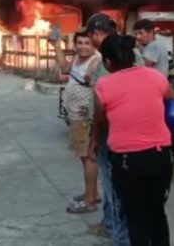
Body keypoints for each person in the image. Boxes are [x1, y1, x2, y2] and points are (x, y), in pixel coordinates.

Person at [93, 33, 174, 245]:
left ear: (108, 62)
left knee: (135, 218)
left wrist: (93, 140)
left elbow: (100, 120)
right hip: (160, 157)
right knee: (157, 213)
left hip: (127, 161)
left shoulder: (104, 85)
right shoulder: (155, 76)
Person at [86, 13, 137, 245]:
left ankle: (115, 229)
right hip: (125, 130)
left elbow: (105, 105)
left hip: (111, 132)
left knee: (112, 185)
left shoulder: (111, 57)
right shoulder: (124, 53)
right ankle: (111, 223)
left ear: (96, 34)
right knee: (116, 186)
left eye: (90, 36)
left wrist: (95, 137)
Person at [51, 28, 101, 214]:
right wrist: (56, 46)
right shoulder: (78, 58)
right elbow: (65, 69)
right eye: (79, 43)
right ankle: (92, 192)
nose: (82, 47)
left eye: (87, 43)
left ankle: (90, 201)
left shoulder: (96, 60)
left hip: (84, 116)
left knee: (88, 157)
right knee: (83, 156)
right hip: (74, 116)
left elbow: (93, 85)